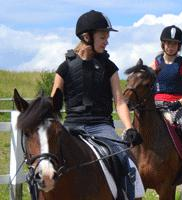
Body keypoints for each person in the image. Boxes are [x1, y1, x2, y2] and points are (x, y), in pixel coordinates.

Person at [51, 10, 144, 199]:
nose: (107, 41)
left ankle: (128, 195)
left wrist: (128, 127)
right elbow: (53, 104)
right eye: (103, 37)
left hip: (101, 126)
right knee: (46, 160)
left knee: (124, 157)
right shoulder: (64, 68)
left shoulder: (109, 67)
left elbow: (119, 101)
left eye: (107, 37)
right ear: (87, 37)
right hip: (71, 126)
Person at [150, 25, 182, 189]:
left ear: (179, 46)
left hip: (176, 106)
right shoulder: (155, 63)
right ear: (163, 44)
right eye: (168, 43)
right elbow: (148, 85)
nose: (171, 46)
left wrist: (178, 103)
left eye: (175, 44)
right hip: (156, 105)